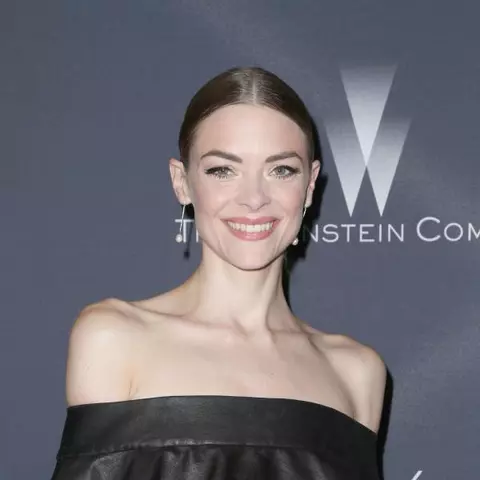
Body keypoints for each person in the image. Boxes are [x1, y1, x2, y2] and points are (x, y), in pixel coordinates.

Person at [51, 66, 386, 479]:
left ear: (310, 185)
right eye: (222, 170)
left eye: (281, 170)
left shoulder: (356, 372)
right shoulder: (115, 339)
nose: (254, 199)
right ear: (182, 182)